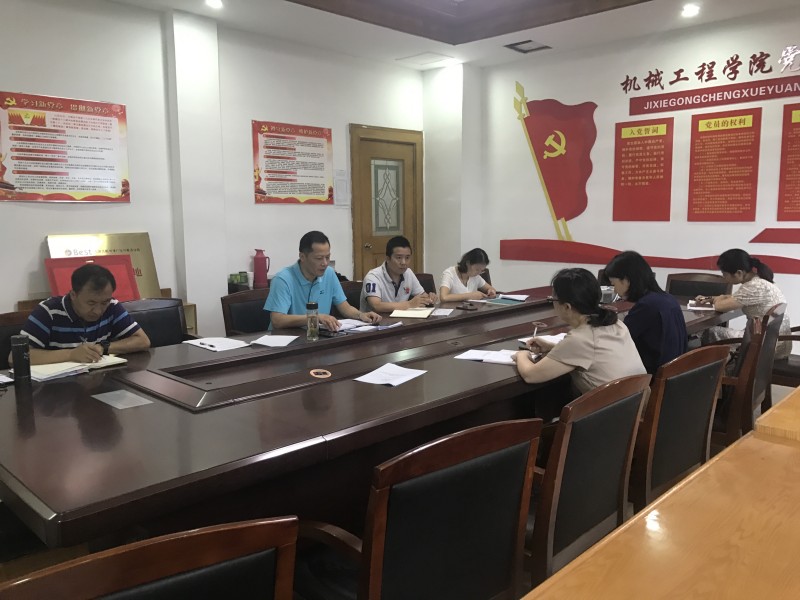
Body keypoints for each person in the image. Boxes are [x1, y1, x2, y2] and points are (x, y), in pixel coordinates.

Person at [512, 268, 646, 397]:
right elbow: (592, 353)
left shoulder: (581, 338)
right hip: (637, 404)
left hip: (609, 411)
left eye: (553, 300)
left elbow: (531, 375)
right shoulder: (616, 323)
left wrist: (521, 355)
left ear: (567, 307)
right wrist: (552, 347)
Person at [17, 264, 150, 366]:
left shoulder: (112, 306)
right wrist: (71, 354)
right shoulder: (48, 311)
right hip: (56, 387)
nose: (98, 311)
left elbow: (143, 341)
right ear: (73, 295)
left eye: (104, 302)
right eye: (91, 303)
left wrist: (103, 348)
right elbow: (17, 357)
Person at [266, 230, 381, 331]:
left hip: (318, 337)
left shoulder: (329, 273)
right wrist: (314, 318)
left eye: (327, 257)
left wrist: (361, 315)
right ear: (302, 257)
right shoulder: (283, 279)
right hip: (287, 340)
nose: (325, 263)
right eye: (319, 258)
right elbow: (277, 320)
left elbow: (345, 308)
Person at [604, 251, 688, 374]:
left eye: (613, 284)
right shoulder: (668, 299)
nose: (614, 290)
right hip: (676, 373)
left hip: (651, 377)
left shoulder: (647, 305)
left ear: (626, 280)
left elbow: (618, 339)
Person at [701, 249, 792, 359]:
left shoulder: (752, 287)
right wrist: (712, 298)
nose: (724, 277)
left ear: (739, 273)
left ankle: (716, 367)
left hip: (764, 345)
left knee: (709, 332)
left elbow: (719, 306)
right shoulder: (758, 281)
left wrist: (718, 299)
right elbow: (733, 297)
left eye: (724, 274)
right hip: (775, 341)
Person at [360, 236, 437, 312]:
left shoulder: (408, 273)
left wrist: (429, 298)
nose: (403, 262)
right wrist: (409, 304)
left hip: (401, 319)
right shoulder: (373, 277)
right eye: (399, 258)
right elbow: (376, 306)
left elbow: (422, 296)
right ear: (388, 259)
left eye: (407, 258)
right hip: (376, 319)